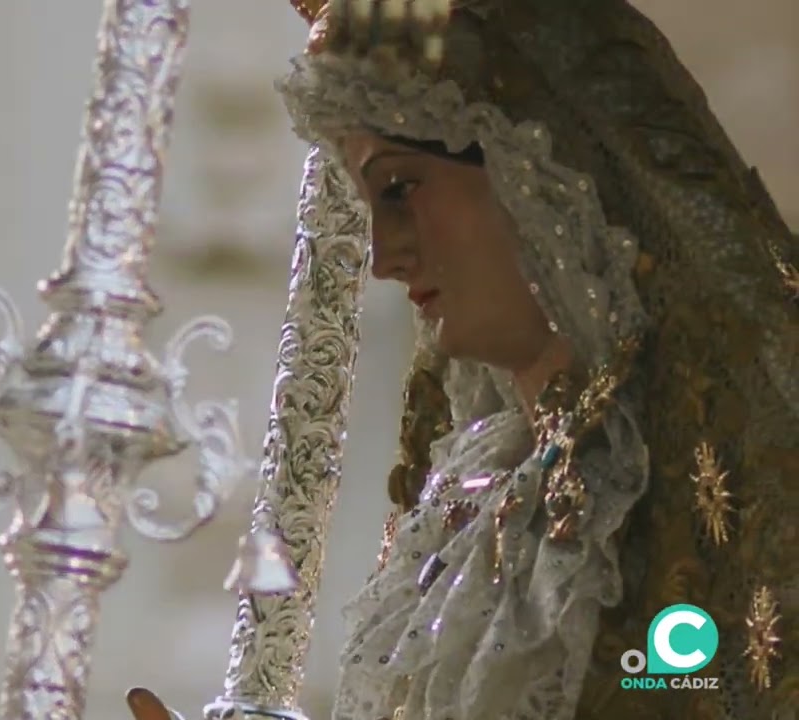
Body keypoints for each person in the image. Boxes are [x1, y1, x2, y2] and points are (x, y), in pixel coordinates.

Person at [274, 0, 798, 718]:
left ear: (541, 174)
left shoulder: (694, 474)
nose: (385, 259)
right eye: (373, 207)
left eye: (400, 190)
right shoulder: (468, 489)